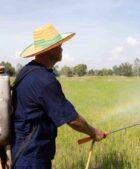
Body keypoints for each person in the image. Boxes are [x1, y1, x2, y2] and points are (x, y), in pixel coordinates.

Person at [11, 24, 106, 168]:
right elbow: (72, 119)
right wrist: (93, 132)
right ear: (50, 50)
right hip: (32, 157)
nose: (62, 48)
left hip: (19, 150)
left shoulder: (27, 71)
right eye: (59, 45)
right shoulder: (44, 81)